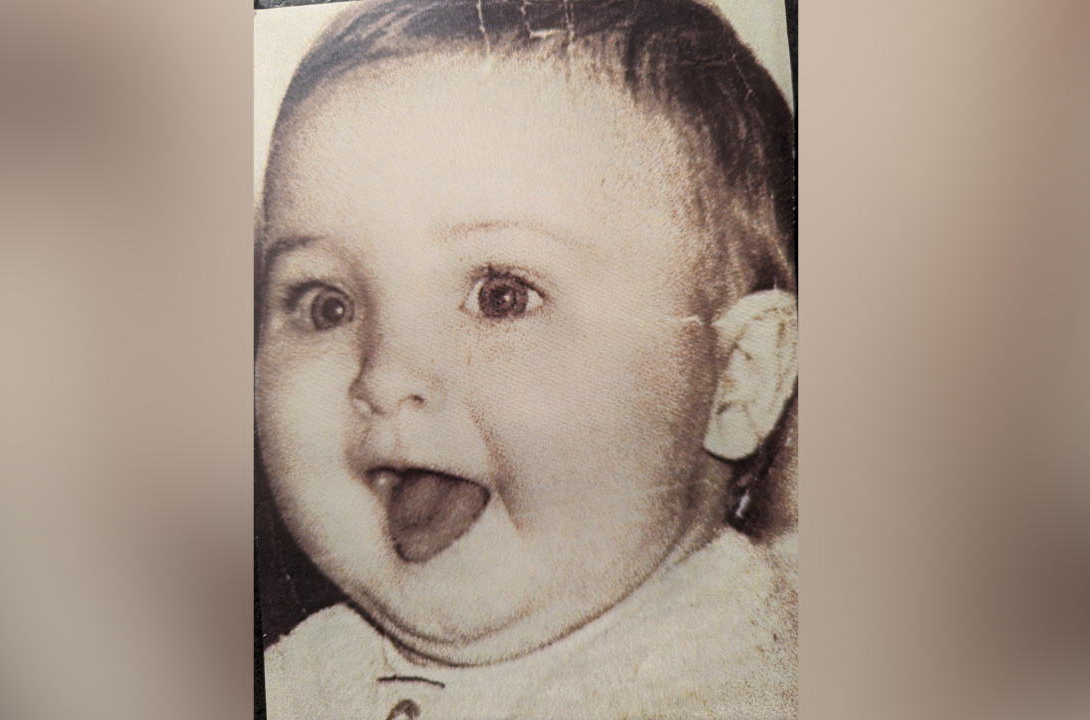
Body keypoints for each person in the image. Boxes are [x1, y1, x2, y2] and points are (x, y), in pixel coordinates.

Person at [255, 0, 797, 716]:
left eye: (501, 296)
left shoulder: (751, 683)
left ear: (735, 378)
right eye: (327, 305)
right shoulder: (299, 678)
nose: (384, 375)